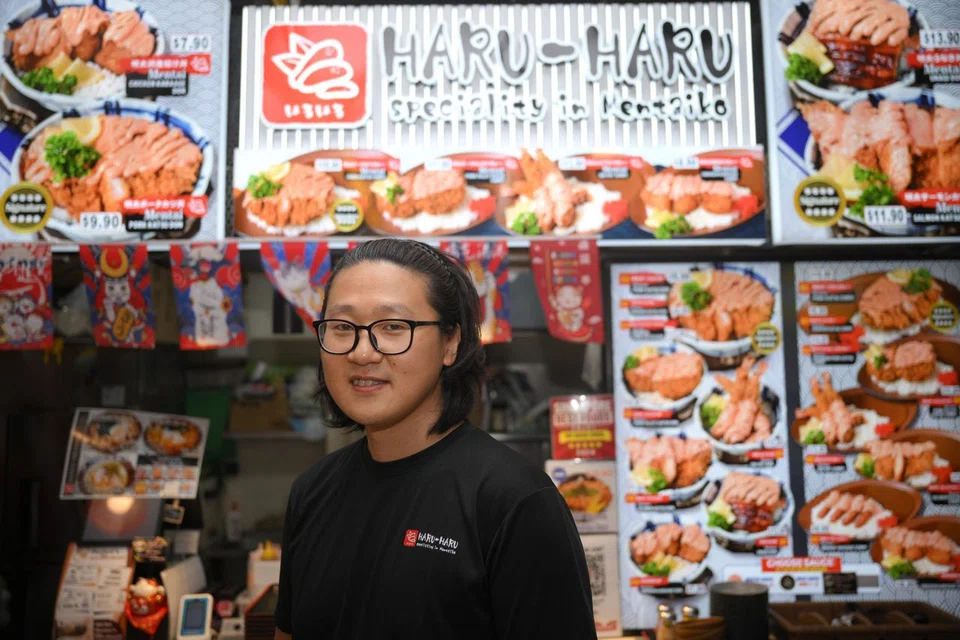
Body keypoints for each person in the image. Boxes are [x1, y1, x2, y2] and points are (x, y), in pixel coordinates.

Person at [274, 238, 596, 639]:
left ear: (450, 342)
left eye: (393, 327)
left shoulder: (514, 500)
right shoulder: (312, 490)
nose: (361, 352)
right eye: (342, 327)